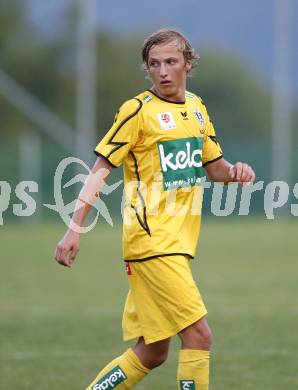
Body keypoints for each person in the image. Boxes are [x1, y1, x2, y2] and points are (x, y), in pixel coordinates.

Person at [54, 28, 255, 390]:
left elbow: (215, 168)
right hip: (153, 243)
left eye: (171, 62)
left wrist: (236, 172)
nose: (162, 71)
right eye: (154, 64)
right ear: (147, 69)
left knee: (153, 351)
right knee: (199, 337)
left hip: (176, 244)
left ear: (188, 64)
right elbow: (101, 169)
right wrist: (75, 228)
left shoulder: (196, 108)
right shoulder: (137, 111)